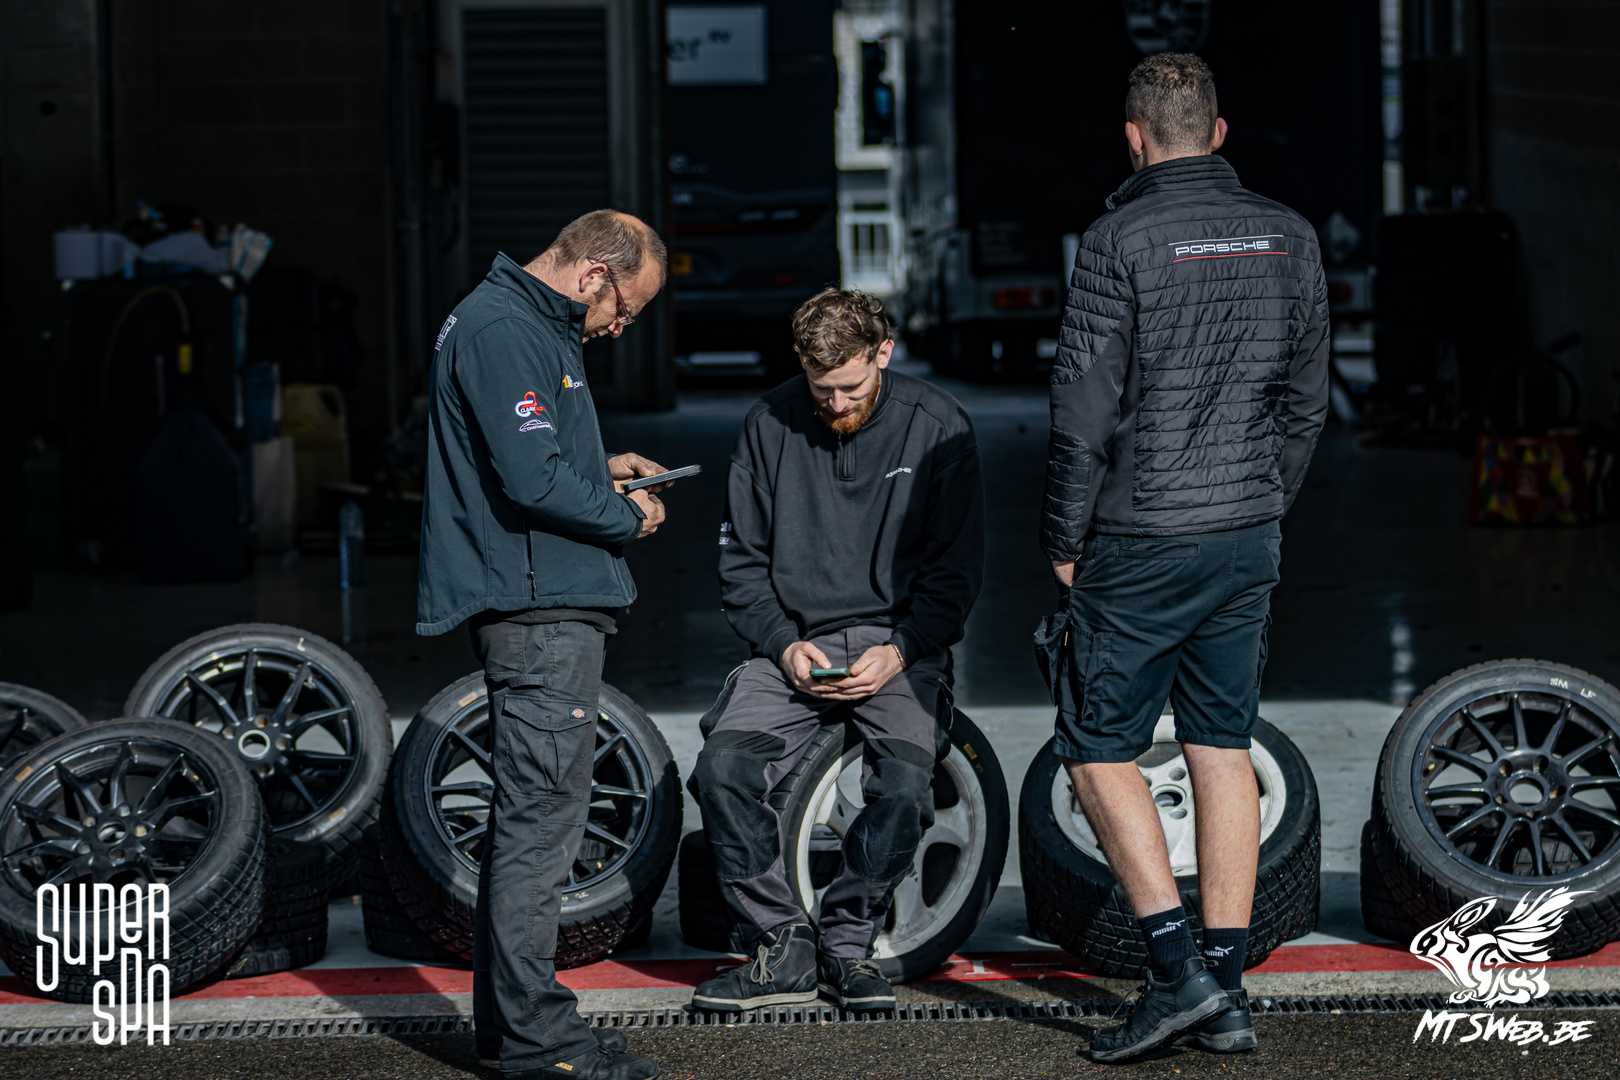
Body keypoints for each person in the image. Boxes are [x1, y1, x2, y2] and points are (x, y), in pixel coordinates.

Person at [1041, 54, 1329, 1063]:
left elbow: (1081, 412)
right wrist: (1260, 501)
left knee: (1095, 747)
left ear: (1132, 138)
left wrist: (1063, 539)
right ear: (1218, 132)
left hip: (1142, 535)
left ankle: (1175, 978)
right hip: (1247, 533)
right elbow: (1307, 404)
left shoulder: (1116, 239)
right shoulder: (1291, 235)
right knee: (1220, 743)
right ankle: (1228, 989)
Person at [416, 209, 674, 1080]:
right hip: (541, 619)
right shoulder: (505, 328)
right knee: (539, 832)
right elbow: (530, 480)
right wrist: (625, 518)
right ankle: (542, 1043)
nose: (622, 327)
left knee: (526, 824)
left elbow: (528, 462)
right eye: (627, 308)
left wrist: (602, 470)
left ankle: (509, 1030)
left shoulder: (521, 324)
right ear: (597, 272)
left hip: (541, 609)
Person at [688, 288, 985, 1013]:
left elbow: (956, 572)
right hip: (793, 645)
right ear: (801, 362)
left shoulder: (938, 424)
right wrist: (784, 647)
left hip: (899, 647)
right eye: (821, 388)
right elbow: (741, 568)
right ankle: (781, 941)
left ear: (884, 352)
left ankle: (848, 945)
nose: (837, 403)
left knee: (906, 786)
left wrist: (902, 650)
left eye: (851, 386)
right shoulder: (768, 423)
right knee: (722, 770)